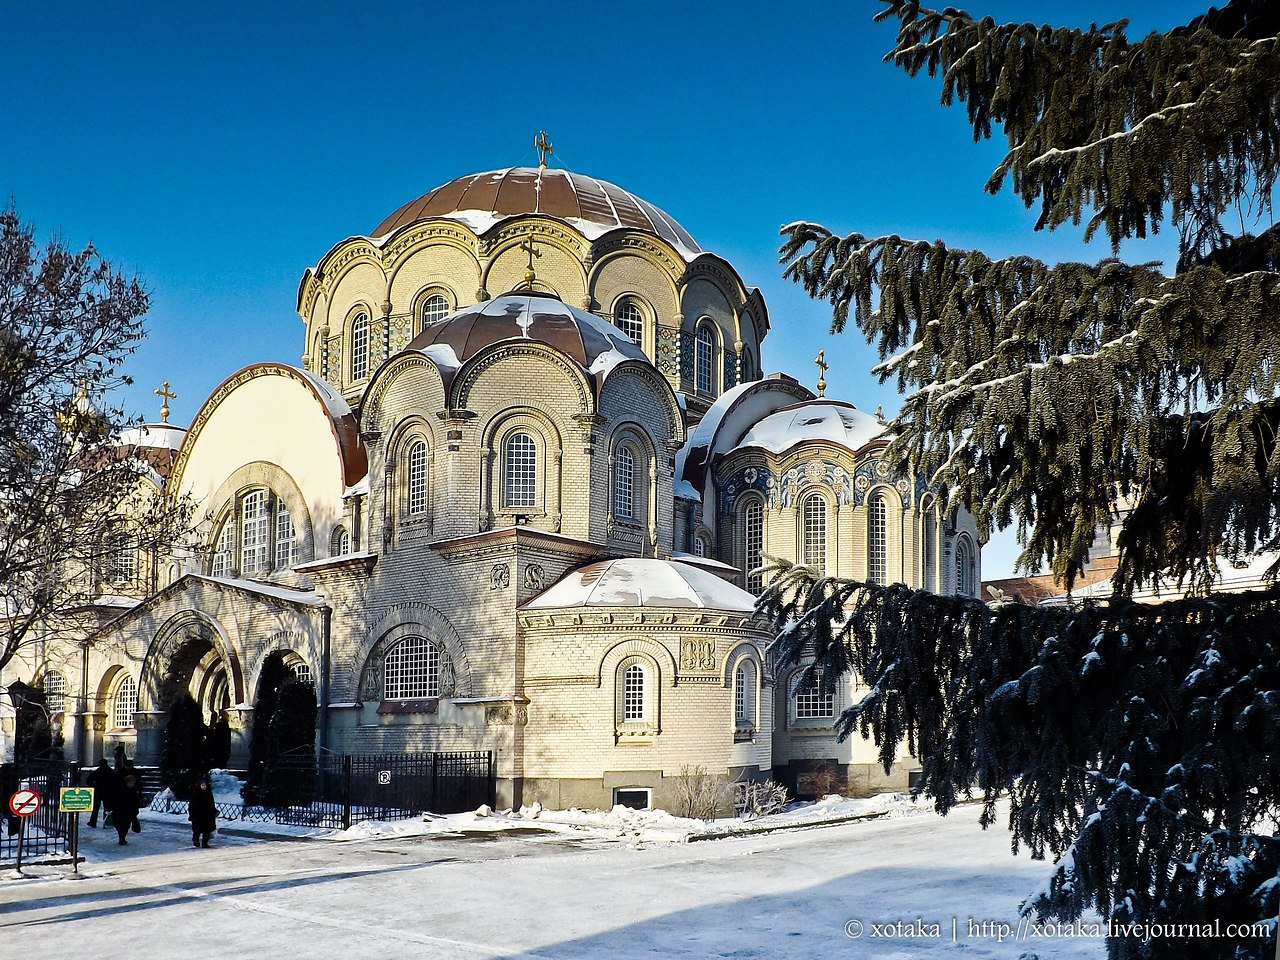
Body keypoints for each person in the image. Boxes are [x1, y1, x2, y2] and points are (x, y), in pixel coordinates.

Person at [110, 755, 142, 846]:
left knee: (125, 824)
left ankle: (122, 837)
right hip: (120, 807)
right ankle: (122, 837)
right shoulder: (120, 777)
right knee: (121, 823)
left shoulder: (131, 775)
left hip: (127, 808)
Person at [188, 773, 217, 848]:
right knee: (197, 830)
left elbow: (211, 804)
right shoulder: (196, 794)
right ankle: (196, 840)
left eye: (205, 785)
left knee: (206, 830)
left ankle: (205, 843)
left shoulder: (208, 794)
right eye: (202, 785)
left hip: (207, 815)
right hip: (197, 815)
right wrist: (192, 815)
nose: (204, 787)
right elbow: (192, 805)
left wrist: (214, 811)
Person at [86, 759, 117, 828]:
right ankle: (106, 823)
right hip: (108, 792)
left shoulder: (98, 771)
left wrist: (93, 785)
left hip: (98, 791)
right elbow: (115, 781)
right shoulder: (110, 771)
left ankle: (93, 822)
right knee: (107, 809)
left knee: (95, 808)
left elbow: (88, 780)